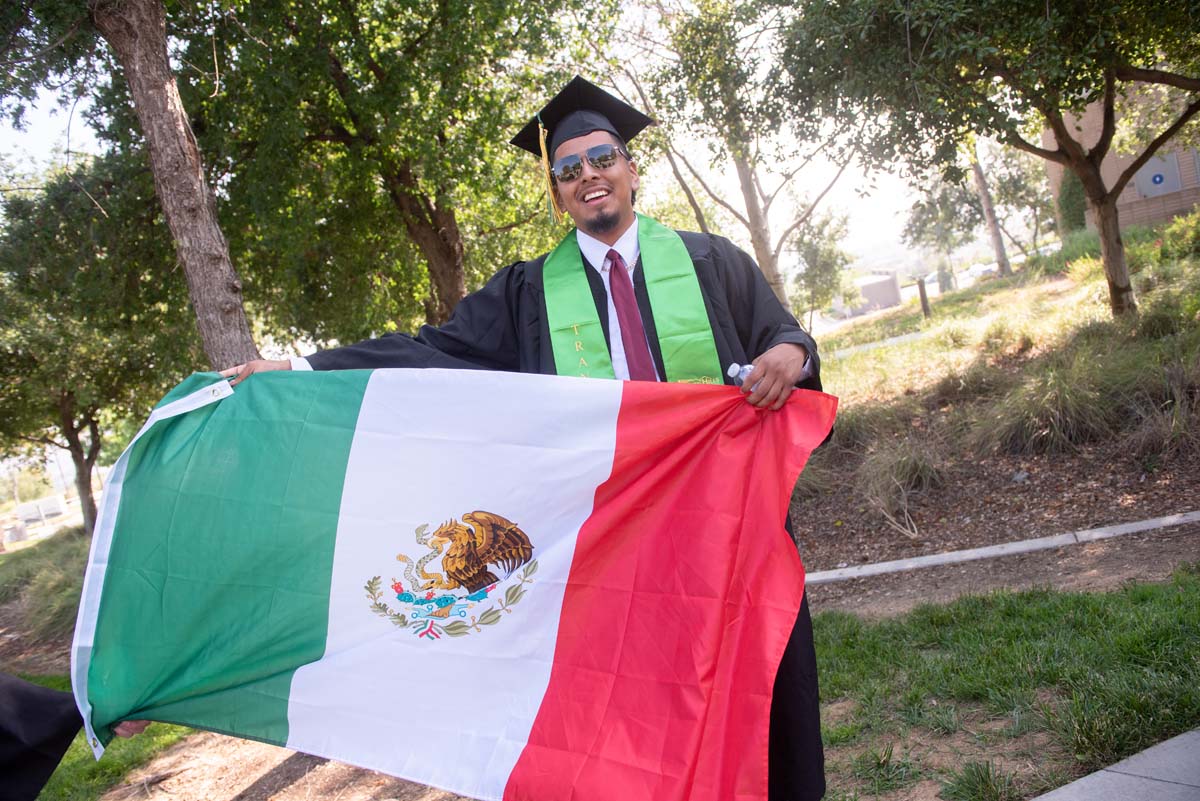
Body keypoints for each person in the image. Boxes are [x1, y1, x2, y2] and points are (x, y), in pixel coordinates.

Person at [223, 76, 825, 800]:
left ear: (631, 168)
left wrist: (793, 354)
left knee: (754, 679)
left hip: (725, 529)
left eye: (601, 158)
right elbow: (431, 351)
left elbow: (783, 339)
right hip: (612, 545)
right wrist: (303, 367)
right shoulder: (528, 291)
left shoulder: (710, 261)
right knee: (638, 709)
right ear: (557, 192)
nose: (588, 177)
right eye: (568, 169)